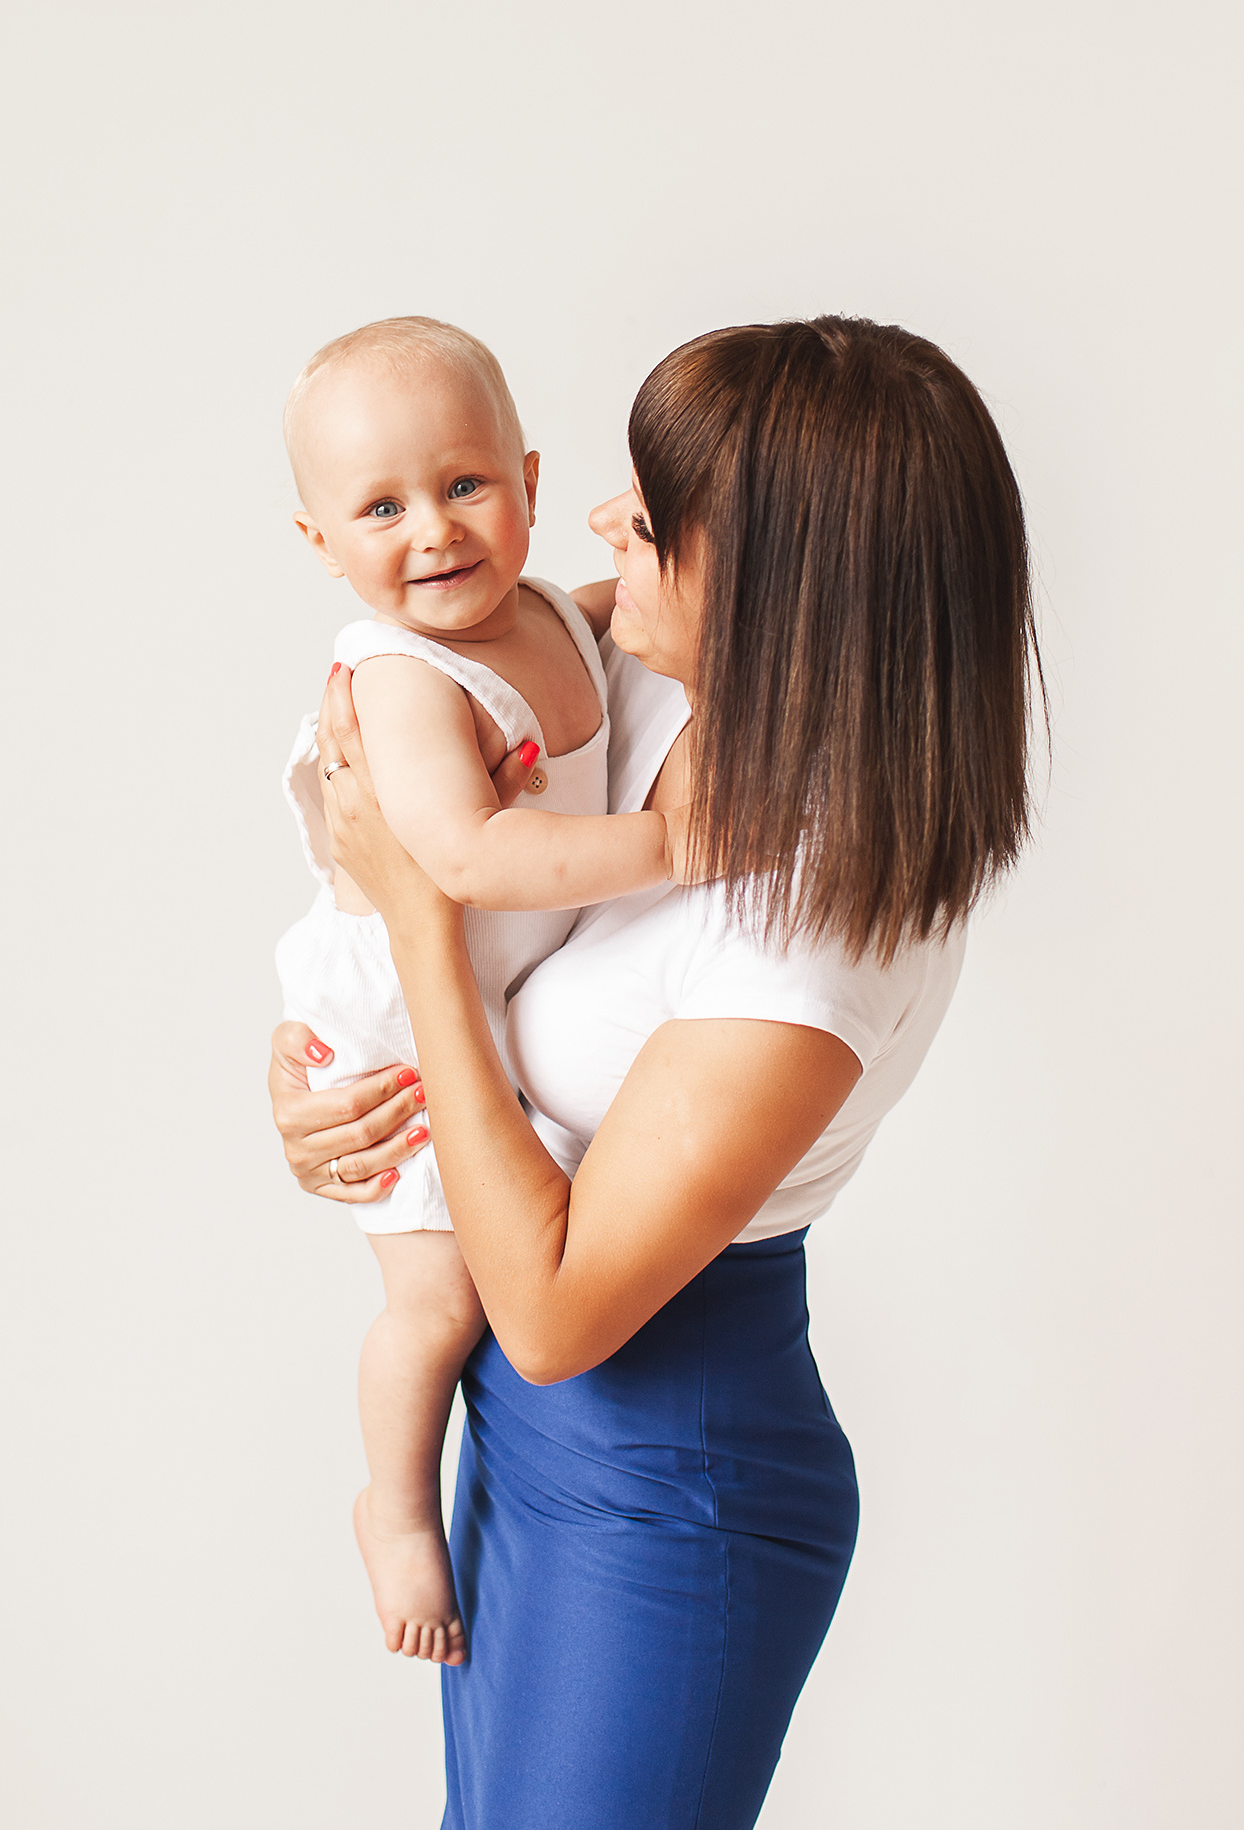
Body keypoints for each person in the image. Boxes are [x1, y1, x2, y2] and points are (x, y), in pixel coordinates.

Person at [270, 316, 1041, 1829]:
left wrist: (423, 928)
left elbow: (558, 1310)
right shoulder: (674, 690)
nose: (604, 527)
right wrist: (322, 1072)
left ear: (776, 586)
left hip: (665, 1485)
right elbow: (420, 818)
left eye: (652, 512)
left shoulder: (814, 924)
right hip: (525, 1442)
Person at [275, 317, 687, 1668]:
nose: (434, 532)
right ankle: (392, 1504)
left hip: (487, 1000)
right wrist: (683, 840)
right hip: (397, 1011)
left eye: (463, 486)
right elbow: (462, 855)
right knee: (441, 1302)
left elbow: (634, 603)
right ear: (319, 544)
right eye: (380, 507)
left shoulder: (558, 613)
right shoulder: (402, 675)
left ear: (523, 473)